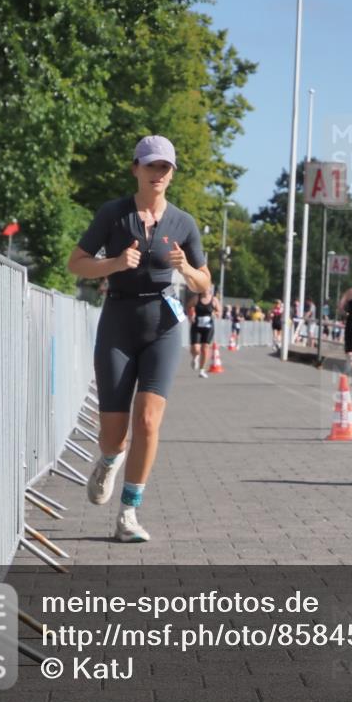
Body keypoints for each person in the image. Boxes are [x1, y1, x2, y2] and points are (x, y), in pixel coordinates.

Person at [67, 135, 210, 541]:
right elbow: (76, 263)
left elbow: (204, 284)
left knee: (147, 420)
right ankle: (109, 459)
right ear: (136, 169)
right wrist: (113, 263)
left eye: (165, 167)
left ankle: (128, 513)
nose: (158, 174)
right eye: (151, 166)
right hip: (118, 322)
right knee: (115, 433)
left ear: (172, 174)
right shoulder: (113, 214)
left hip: (162, 325)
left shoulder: (184, 223)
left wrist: (187, 270)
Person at [187, 286, 220, 378]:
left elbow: (219, 312)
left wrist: (215, 314)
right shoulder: (196, 298)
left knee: (205, 348)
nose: (206, 290)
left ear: (210, 290)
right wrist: (191, 315)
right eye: (204, 288)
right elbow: (189, 306)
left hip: (208, 327)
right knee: (195, 348)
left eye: (208, 288)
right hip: (196, 326)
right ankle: (195, 357)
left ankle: (202, 370)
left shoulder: (214, 300)